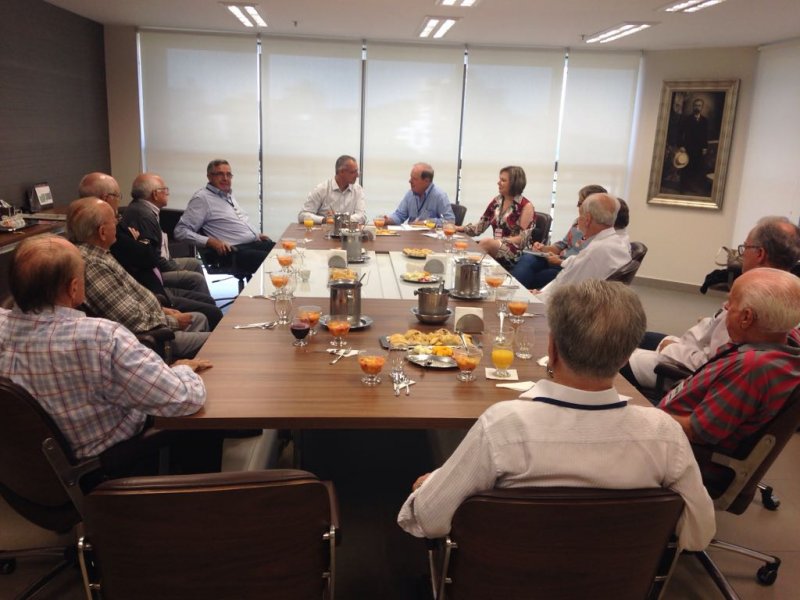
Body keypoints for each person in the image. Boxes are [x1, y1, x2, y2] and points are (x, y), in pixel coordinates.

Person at [398, 279, 715, 551]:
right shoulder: (664, 434)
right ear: (626, 357)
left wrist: (436, 482)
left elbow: (428, 519)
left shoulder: (504, 427)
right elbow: (699, 535)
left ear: (552, 347)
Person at [0, 234, 208, 460]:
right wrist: (183, 370)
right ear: (74, 287)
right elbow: (184, 399)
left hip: (28, 470)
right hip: (107, 462)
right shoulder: (100, 338)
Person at [624, 216, 800, 390]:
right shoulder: (786, 290)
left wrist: (670, 349)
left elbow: (714, 363)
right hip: (692, 349)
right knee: (633, 336)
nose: (742, 254)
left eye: (745, 247)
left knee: (607, 359)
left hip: (684, 372)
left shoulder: (756, 297)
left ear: (760, 253)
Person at [659, 267, 800, 453]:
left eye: (731, 302)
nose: (725, 306)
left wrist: (642, 416)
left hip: (677, 450)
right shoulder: (783, 338)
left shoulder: (751, 368)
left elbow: (698, 432)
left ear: (746, 318)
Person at [67, 197, 210, 360]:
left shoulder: (100, 253)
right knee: (216, 341)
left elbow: (127, 299)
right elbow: (129, 319)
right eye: (115, 221)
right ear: (102, 232)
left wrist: (161, 310)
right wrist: (172, 321)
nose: (118, 225)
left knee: (201, 318)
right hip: (147, 340)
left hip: (153, 319)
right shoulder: (92, 265)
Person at [79, 172, 223, 330]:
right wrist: (166, 313)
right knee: (208, 308)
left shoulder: (105, 243)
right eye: (117, 195)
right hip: (154, 294)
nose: (120, 201)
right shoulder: (135, 220)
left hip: (152, 297)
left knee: (199, 281)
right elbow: (147, 257)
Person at [174, 159, 275, 276]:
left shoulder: (227, 195)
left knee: (286, 252)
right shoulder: (202, 199)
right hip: (233, 252)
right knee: (274, 261)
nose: (225, 178)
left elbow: (236, 222)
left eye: (228, 175)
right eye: (220, 174)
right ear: (209, 177)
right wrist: (211, 242)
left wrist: (256, 235)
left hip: (251, 244)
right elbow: (180, 231)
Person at [533, 193, 630, 304]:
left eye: (580, 216)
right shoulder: (614, 242)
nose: (578, 221)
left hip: (571, 308)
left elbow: (565, 288)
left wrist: (539, 297)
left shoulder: (597, 250)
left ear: (587, 219)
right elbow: (576, 264)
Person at [511, 184, 606, 289]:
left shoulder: (599, 232)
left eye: (580, 203)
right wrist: (543, 248)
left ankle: (513, 294)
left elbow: (584, 263)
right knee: (528, 258)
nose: (577, 206)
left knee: (538, 276)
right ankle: (513, 292)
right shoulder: (578, 222)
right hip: (555, 260)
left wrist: (560, 261)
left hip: (567, 267)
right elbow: (563, 245)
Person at [456, 166, 534, 265]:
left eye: (503, 180)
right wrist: (459, 228)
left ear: (514, 184)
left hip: (517, 253)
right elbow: (480, 227)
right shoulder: (497, 201)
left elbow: (522, 239)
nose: (498, 183)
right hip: (497, 246)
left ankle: (466, 270)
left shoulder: (526, 206)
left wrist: (498, 241)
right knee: (466, 245)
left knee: (486, 244)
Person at [299, 155, 366, 225]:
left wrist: (338, 219)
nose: (357, 175)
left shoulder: (358, 190)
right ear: (341, 172)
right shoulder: (322, 189)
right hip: (323, 234)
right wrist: (324, 220)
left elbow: (362, 217)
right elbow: (302, 215)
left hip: (349, 234)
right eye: (353, 172)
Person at [384, 163, 455, 226]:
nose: (410, 181)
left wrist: (426, 222)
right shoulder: (410, 194)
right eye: (410, 177)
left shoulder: (440, 196)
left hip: (430, 239)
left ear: (426, 181)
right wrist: (388, 220)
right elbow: (400, 215)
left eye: (414, 178)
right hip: (412, 237)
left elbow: (450, 222)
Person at [678, 97, 710, 195]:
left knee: (697, 168)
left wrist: (705, 147)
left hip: (699, 149)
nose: (697, 107)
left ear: (702, 107)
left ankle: (694, 187)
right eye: (696, 105)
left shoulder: (705, 121)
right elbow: (679, 133)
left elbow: (706, 135)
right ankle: (682, 188)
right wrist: (681, 145)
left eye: (699, 106)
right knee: (685, 168)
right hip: (688, 148)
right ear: (693, 107)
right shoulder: (687, 119)